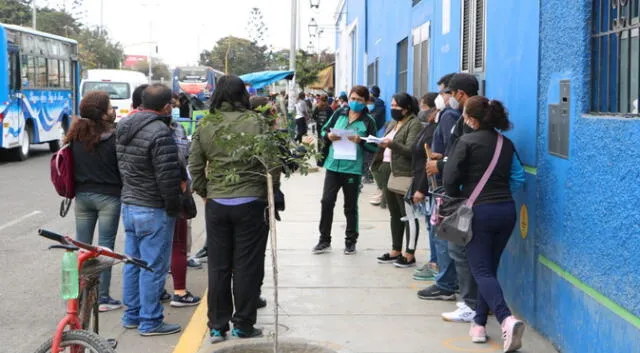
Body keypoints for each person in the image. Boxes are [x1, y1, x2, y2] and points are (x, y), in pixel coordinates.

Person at [189, 75, 277, 343]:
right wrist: (269, 193)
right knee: (247, 266)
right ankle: (243, 325)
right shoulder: (258, 123)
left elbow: (194, 166)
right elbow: (272, 164)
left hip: (217, 203)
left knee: (218, 266)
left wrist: (207, 192)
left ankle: (217, 326)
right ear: (243, 95)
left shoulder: (206, 124)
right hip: (251, 203)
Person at [443, 96, 525, 350]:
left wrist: (467, 192)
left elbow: (449, 182)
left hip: (479, 212)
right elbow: (519, 178)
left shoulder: (465, 141)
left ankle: (505, 318)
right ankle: (478, 325)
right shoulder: (506, 144)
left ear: (471, 119)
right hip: (506, 211)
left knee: (481, 271)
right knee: (489, 269)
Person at [117, 83, 183, 336]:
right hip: (153, 208)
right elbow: (167, 178)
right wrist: (173, 207)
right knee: (153, 267)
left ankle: (131, 315)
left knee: (133, 263)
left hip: (130, 204)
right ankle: (150, 320)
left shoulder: (123, 126)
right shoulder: (159, 132)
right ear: (166, 107)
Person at [420, 73, 480, 325]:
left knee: (459, 250)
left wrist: (440, 164)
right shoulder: (464, 124)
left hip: (463, 198)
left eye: (446, 92)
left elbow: (460, 161)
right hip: (466, 196)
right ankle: (473, 302)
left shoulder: (465, 126)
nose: (442, 98)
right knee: (463, 251)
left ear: (459, 95)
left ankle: (470, 303)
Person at [66, 91, 122, 312]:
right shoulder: (114, 137)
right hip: (109, 197)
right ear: (103, 112)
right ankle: (103, 299)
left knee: (82, 248)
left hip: (83, 197)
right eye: (110, 107)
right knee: (104, 250)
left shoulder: (74, 135)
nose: (113, 111)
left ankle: (77, 297)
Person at [312, 85, 378, 255]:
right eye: (353, 98)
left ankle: (350, 241)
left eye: (359, 100)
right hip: (333, 165)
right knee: (326, 202)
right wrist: (328, 136)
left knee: (350, 206)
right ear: (349, 98)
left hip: (353, 169)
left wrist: (361, 140)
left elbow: (374, 146)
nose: (355, 102)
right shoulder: (339, 113)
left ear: (365, 102)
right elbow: (324, 130)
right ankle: (324, 240)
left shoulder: (368, 121)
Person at [374, 92, 422, 267]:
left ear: (406, 108)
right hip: (387, 169)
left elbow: (411, 150)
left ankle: (410, 254)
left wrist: (390, 144)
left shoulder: (414, 124)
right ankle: (396, 250)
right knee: (394, 213)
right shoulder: (393, 122)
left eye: (396, 106)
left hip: (403, 172)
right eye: (392, 105)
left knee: (407, 214)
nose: (393, 109)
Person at [166, 117, 202, 308]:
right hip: (173, 197)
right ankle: (179, 292)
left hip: (138, 200)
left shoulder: (126, 128)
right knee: (177, 245)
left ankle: (140, 304)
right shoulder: (173, 131)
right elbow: (185, 163)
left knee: (146, 249)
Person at [411, 92, 441, 281]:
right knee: (431, 226)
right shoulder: (429, 126)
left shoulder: (434, 130)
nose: (421, 110)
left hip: (429, 186)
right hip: (424, 182)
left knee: (433, 226)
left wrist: (421, 188)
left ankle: (436, 263)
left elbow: (429, 162)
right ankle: (434, 261)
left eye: (423, 106)